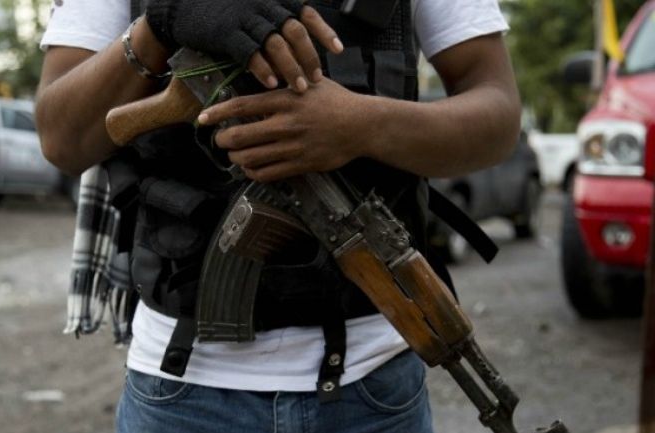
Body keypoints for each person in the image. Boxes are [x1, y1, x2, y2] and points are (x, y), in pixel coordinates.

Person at [36, 0, 520, 432]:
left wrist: (360, 126)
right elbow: (63, 138)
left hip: (373, 385)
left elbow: (497, 117)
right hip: (181, 392)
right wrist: (162, 23)